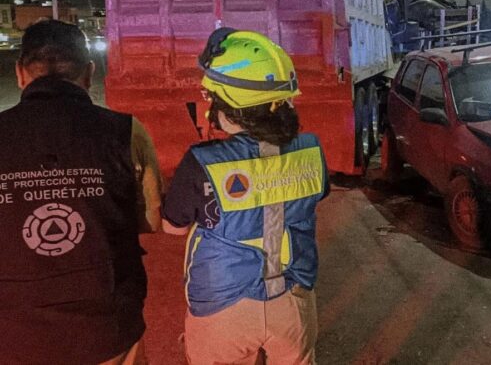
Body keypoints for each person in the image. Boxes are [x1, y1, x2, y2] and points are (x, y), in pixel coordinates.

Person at [162, 28, 329, 365]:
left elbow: (173, 226)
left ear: (227, 107)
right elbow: (315, 195)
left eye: (212, 99)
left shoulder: (203, 161)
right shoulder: (311, 150)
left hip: (222, 305)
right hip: (293, 298)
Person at [0, 19, 162, 364]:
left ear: (20, 73)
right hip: (108, 325)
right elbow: (150, 218)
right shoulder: (126, 131)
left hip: (13, 331)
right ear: (89, 73)